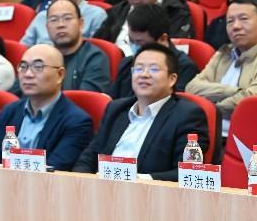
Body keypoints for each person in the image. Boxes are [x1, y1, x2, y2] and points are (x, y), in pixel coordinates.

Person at [73, 43, 209, 181]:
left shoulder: (187, 115)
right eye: (138, 69)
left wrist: (138, 180)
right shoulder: (115, 109)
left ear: (172, 79)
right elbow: (88, 159)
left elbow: (188, 173)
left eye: (154, 69)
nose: (144, 74)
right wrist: (80, 182)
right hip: (100, 188)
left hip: (149, 192)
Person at [0, 45, 93, 170]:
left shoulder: (77, 121)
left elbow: (55, 170)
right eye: (23, 66)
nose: (28, 74)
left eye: (38, 67)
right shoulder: (9, 111)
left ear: (60, 75)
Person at [186, 0, 257, 133]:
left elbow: (249, 103)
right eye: (230, 21)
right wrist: (233, 91)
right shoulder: (223, 53)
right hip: (206, 132)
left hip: (244, 137)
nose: (236, 26)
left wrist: (208, 108)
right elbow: (191, 88)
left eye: (244, 19)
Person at [108, 4, 200, 99]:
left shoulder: (185, 67)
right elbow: (110, 98)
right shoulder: (127, 63)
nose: (135, 47)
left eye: (140, 42)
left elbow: (173, 103)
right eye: (131, 41)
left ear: (163, 39)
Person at [43, 0, 110, 92]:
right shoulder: (41, 58)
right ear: (47, 27)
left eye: (67, 18)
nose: (60, 25)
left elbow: (86, 98)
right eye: (54, 20)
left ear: (81, 23)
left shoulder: (94, 57)